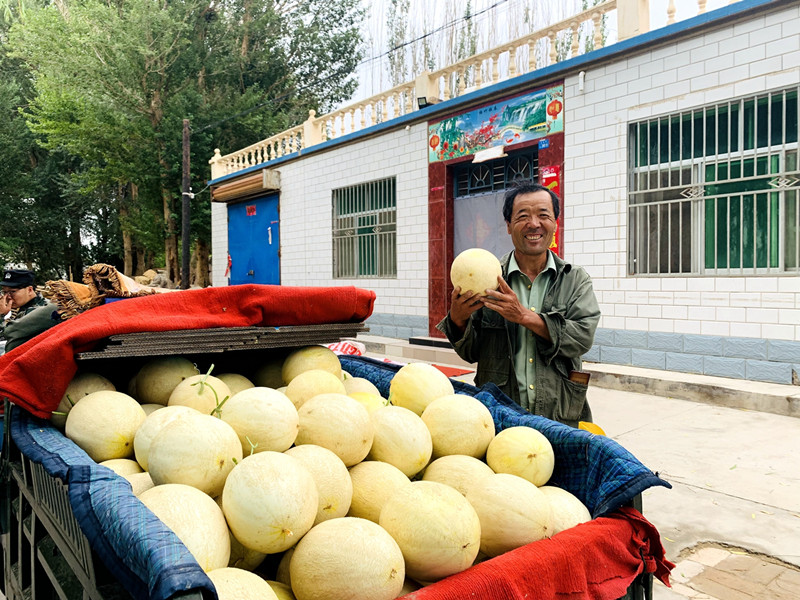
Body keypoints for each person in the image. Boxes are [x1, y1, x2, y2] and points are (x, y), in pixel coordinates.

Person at [437, 181, 600, 427]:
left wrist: (524, 317)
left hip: (560, 416)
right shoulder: (487, 277)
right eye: (523, 216)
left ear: (555, 223)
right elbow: (470, 353)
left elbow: (582, 338)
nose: (534, 224)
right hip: (499, 413)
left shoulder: (574, 279)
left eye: (543, 215)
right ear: (508, 226)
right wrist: (458, 319)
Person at [1, 269, 58, 354]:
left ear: (30, 290)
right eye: (5, 292)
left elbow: (9, 333)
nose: (8, 296)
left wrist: (1, 315)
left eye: (12, 291)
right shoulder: (24, 307)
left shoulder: (41, 310)